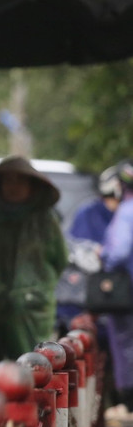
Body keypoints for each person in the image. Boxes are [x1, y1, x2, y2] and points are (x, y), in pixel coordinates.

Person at [0, 156, 66, 385]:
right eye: (8, 181)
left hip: (30, 309)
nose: (13, 187)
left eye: (20, 181)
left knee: (31, 371)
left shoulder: (46, 221)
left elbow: (59, 260)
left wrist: (35, 286)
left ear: (31, 186)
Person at [98, 162, 133, 405]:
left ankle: (129, 399)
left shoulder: (127, 211)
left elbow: (119, 251)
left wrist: (103, 256)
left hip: (127, 292)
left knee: (125, 344)